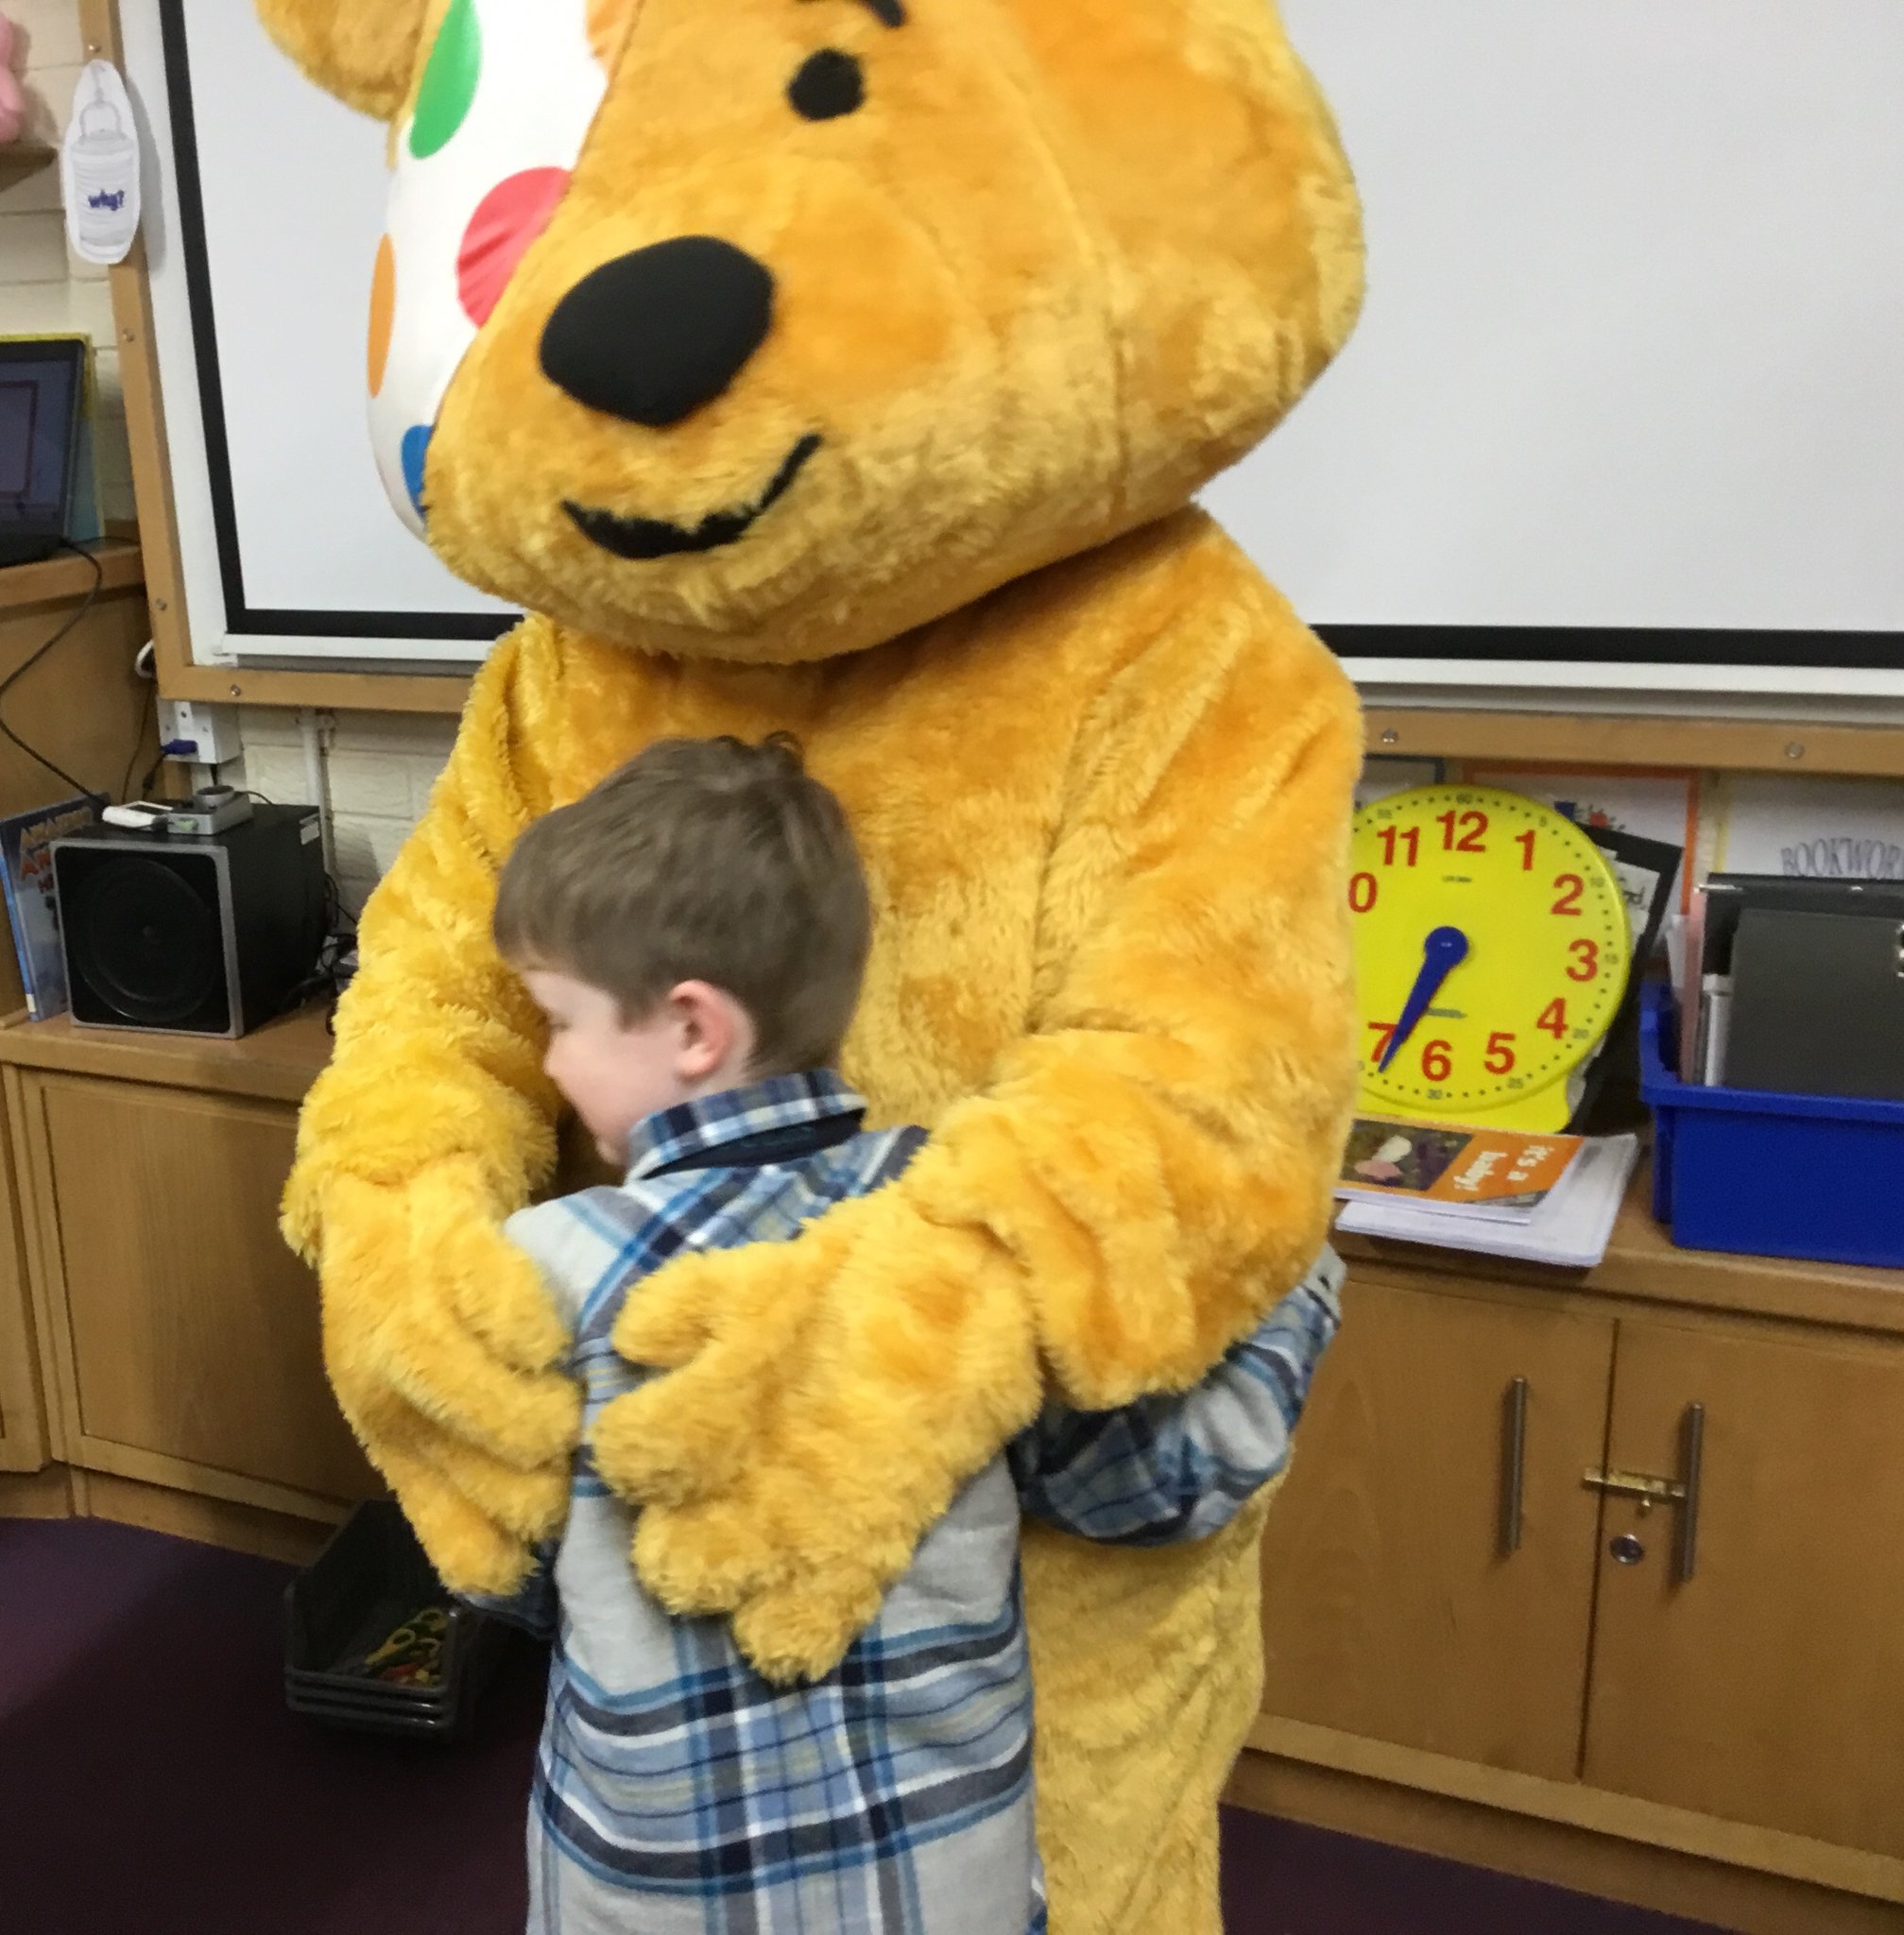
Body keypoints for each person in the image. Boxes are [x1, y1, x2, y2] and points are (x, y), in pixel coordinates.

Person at [470, 734, 1347, 1935]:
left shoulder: (545, 1272)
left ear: (691, 1029)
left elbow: (501, 1570)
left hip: (660, 1898)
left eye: (560, 1018)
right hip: (942, 1891)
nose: (547, 1056)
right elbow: (1158, 1482)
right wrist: (1296, 1268)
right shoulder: (965, 1223)